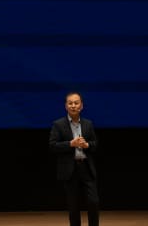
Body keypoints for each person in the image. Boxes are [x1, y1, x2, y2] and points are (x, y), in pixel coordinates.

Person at [49, 92, 99, 226]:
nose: (73, 106)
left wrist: (87, 145)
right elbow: (53, 145)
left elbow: (95, 144)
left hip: (86, 167)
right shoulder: (58, 124)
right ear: (66, 106)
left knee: (93, 202)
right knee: (73, 206)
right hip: (70, 169)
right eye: (70, 103)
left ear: (81, 106)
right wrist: (71, 144)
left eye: (76, 103)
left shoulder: (88, 124)